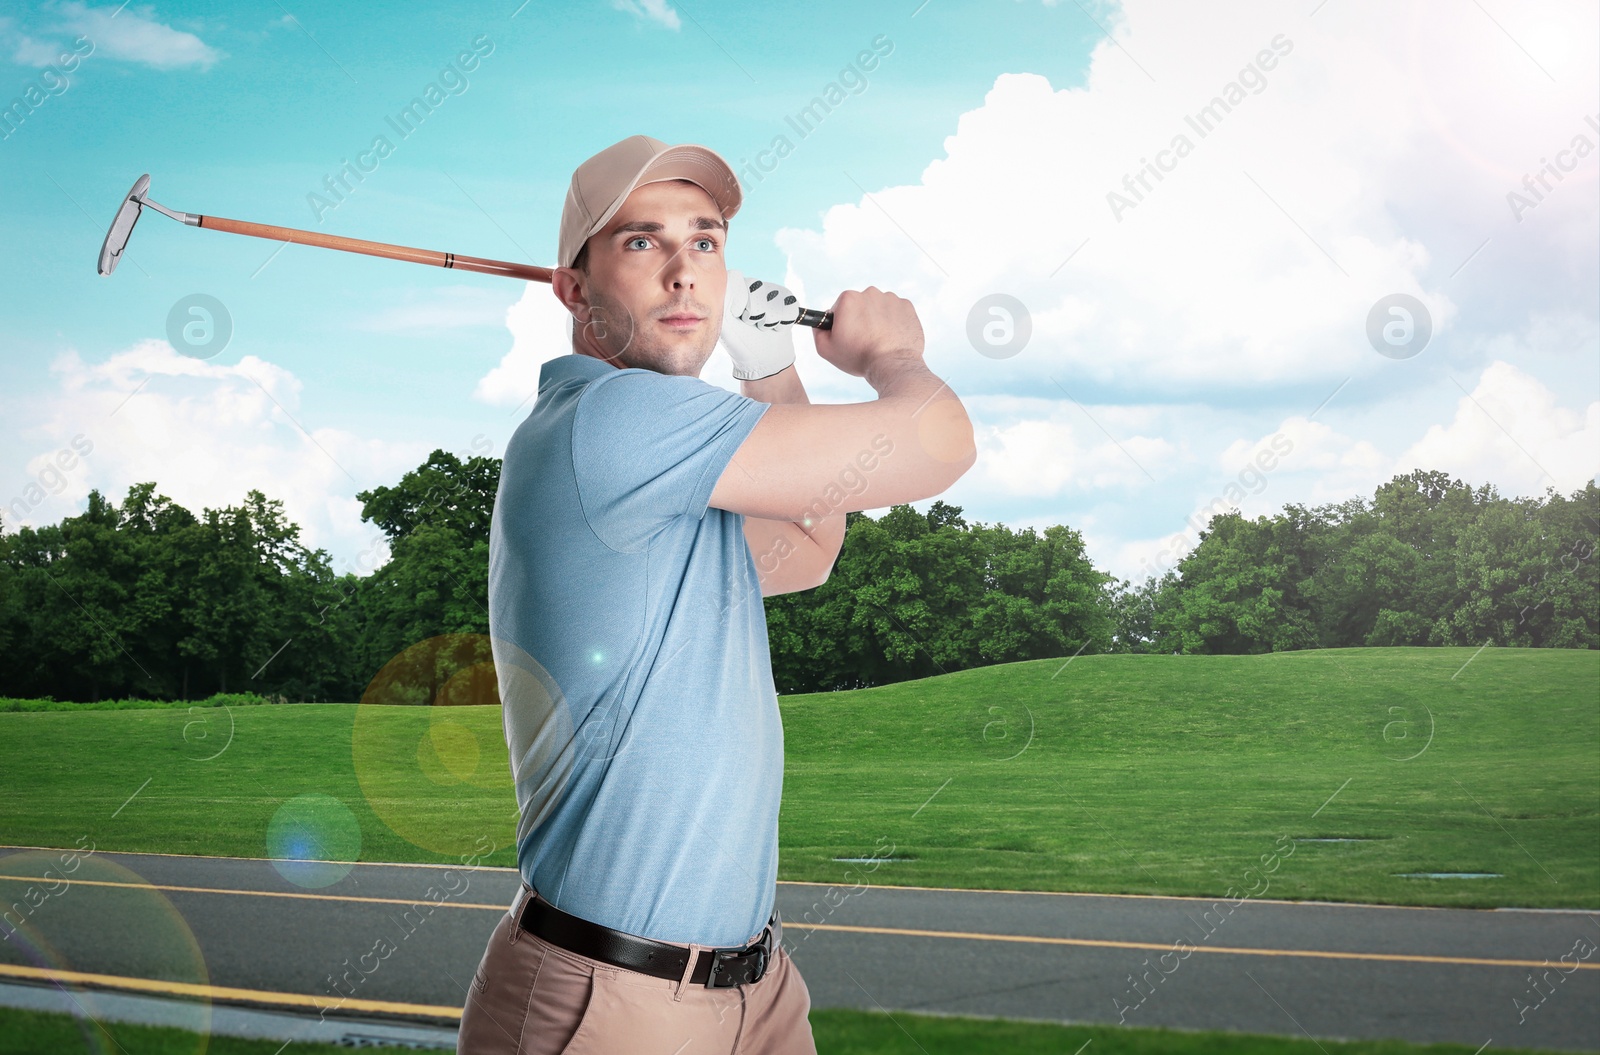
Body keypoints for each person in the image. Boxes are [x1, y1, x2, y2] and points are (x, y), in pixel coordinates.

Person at [457, 134, 976, 1054]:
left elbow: (811, 541)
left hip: (754, 987)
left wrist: (767, 359)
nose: (684, 273)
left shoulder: (669, 461)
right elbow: (935, 443)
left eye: (704, 242)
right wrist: (892, 354)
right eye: (641, 243)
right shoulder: (618, 419)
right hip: (615, 1004)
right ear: (573, 289)